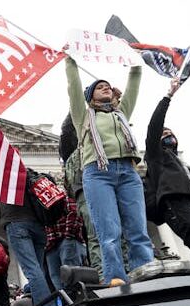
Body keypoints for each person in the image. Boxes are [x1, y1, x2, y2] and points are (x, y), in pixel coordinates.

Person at [65, 56, 154, 285]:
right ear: (89, 97)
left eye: (107, 86)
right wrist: (70, 60)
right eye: (98, 87)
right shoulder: (83, 116)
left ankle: (145, 271)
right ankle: (115, 276)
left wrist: (135, 60)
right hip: (98, 173)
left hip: (127, 171)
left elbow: (134, 81)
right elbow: (73, 86)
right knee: (109, 231)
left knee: (138, 229)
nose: (104, 88)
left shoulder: (121, 113)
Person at [144, 78, 190, 259]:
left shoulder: (183, 165)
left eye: (170, 133)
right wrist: (167, 97)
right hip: (175, 203)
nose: (168, 134)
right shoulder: (156, 156)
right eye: (164, 133)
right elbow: (154, 127)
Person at [0, 189, 55, 306]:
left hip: (17, 223)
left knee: (32, 271)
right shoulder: (29, 174)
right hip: (38, 225)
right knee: (39, 270)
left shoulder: (5, 177)